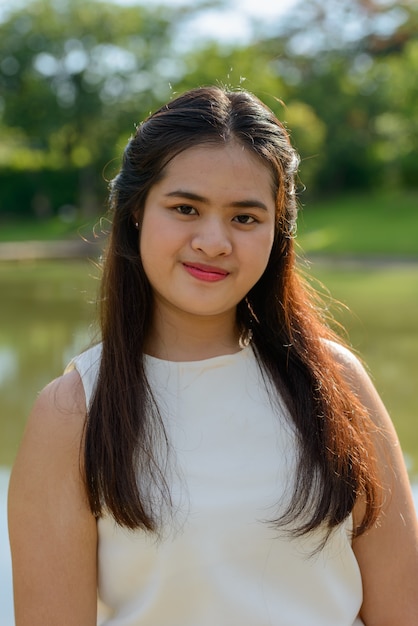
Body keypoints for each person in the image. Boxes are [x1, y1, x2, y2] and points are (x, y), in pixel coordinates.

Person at [8, 86, 418, 626]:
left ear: (278, 231)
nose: (214, 241)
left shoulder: (336, 381)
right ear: (135, 213)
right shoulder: (73, 411)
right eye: (185, 208)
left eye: (245, 218)